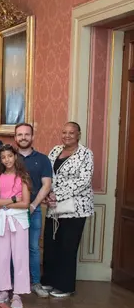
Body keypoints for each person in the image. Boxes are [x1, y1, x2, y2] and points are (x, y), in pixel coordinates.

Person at [43, 122, 94, 298]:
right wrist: (48, 193)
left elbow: (83, 181)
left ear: (78, 134)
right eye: (64, 132)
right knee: (51, 244)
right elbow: (47, 174)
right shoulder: (55, 151)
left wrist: (58, 195)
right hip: (53, 206)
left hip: (76, 208)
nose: (67, 136)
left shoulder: (86, 154)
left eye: (71, 133)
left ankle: (65, 286)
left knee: (67, 246)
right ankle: (49, 281)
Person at [14, 123, 53, 297]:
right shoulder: (8, 157)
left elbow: (46, 185)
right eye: (20, 134)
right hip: (13, 210)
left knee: (33, 248)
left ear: (32, 136)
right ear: (15, 137)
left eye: (26, 134)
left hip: (34, 209)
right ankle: (12, 283)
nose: (23, 137)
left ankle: (35, 282)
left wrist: (32, 205)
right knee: (12, 247)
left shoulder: (43, 159)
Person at [0, 144, 31, 308]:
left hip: (19, 221)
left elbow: (26, 203)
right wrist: (14, 200)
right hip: (2, 220)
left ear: (15, 156)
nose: (7, 159)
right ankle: (3, 289)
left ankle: (17, 293)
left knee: (20, 257)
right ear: (0, 160)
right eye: (3, 157)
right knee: (2, 256)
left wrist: (6, 203)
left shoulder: (23, 177)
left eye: (9, 156)